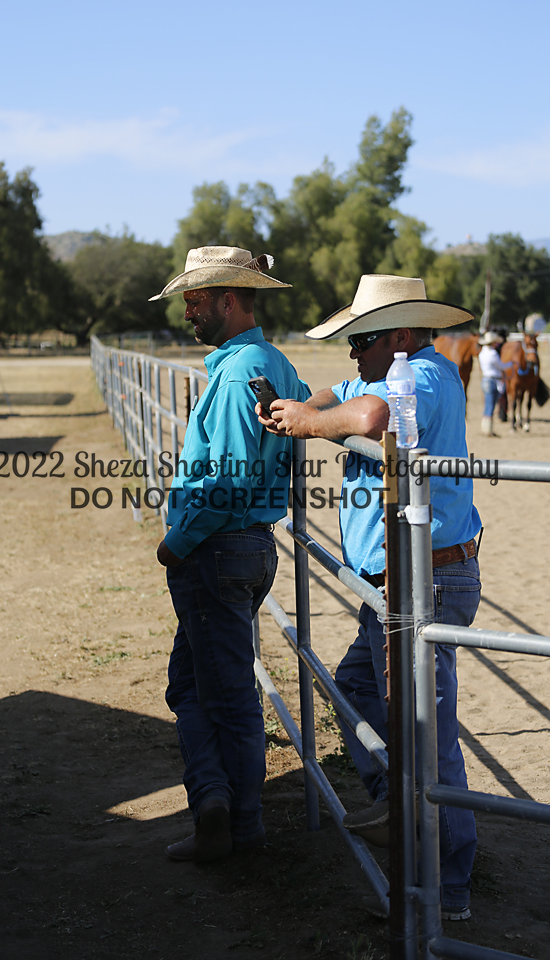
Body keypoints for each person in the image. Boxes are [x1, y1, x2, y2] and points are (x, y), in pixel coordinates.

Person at [257, 274, 482, 921]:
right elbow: (337, 395)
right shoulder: (392, 374)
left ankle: (447, 884)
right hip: (396, 581)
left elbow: (373, 418)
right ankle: (400, 805)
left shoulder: (424, 377)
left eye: (363, 340)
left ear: (401, 336)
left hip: (422, 580)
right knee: (358, 687)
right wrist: (298, 409)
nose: (354, 353)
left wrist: (308, 424)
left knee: (427, 730)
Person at [151, 246, 310, 862]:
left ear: (227, 299)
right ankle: (215, 802)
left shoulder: (239, 372)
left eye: (195, 300)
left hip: (217, 546)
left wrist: (177, 543)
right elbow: (303, 413)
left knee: (223, 694)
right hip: (249, 545)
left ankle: (236, 825)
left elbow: (229, 478)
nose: (187, 311)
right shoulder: (274, 364)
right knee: (195, 683)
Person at [478, 331, 511, 435]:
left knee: (487, 404)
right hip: (492, 380)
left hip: (485, 379)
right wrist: (511, 364)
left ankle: (485, 428)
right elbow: (501, 366)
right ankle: (488, 430)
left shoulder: (482, 353)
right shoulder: (493, 353)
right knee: (491, 405)